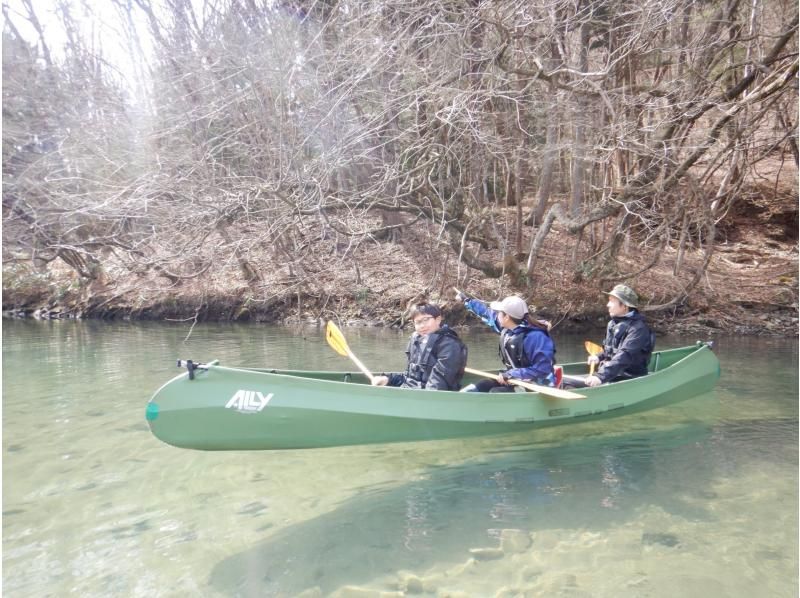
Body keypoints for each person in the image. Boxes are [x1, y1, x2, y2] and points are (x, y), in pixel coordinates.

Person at [455, 291, 556, 392]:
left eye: (499, 312)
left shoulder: (536, 337)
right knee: (483, 385)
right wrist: (467, 301)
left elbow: (543, 368)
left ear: (507, 317)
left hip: (538, 384)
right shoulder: (508, 328)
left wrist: (512, 374)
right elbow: (486, 313)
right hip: (517, 379)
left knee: (496, 392)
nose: (496, 314)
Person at [564, 284, 655, 388]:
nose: (608, 305)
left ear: (625, 306)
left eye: (612, 301)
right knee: (561, 380)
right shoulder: (612, 324)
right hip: (611, 374)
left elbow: (625, 355)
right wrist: (598, 357)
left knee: (566, 383)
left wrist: (600, 376)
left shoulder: (638, 329)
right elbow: (608, 351)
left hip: (628, 377)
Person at [371, 303, 468, 391]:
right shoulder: (416, 340)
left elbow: (437, 386)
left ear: (438, 319)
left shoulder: (449, 345)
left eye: (426, 320)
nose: (422, 325)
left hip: (435, 400)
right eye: (418, 322)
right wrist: (388, 379)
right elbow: (410, 378)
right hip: (414, 393)